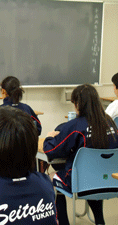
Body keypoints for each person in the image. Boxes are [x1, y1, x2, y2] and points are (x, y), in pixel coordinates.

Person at [44, 84, 118, 225]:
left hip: (81, 182)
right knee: (92, 174)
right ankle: (99, 221)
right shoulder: (110, 122)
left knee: (51, 179)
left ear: (78, 104)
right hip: (110, 181)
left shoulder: (75, 126)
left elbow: (51, 150)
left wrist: (49, 137)